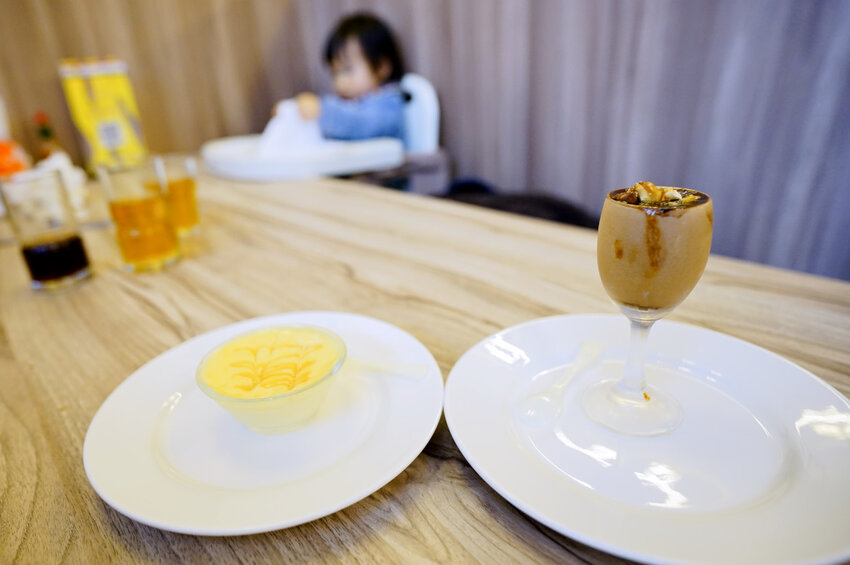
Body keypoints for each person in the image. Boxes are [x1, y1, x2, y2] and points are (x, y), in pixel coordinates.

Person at [293, 13, 406, 142]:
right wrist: (292, 111)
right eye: (334, 74)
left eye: (347, 70)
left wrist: (321, 110)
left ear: (380, 67)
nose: (339, 82)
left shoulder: (389, 102)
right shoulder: (350, 102)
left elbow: (361, 124)